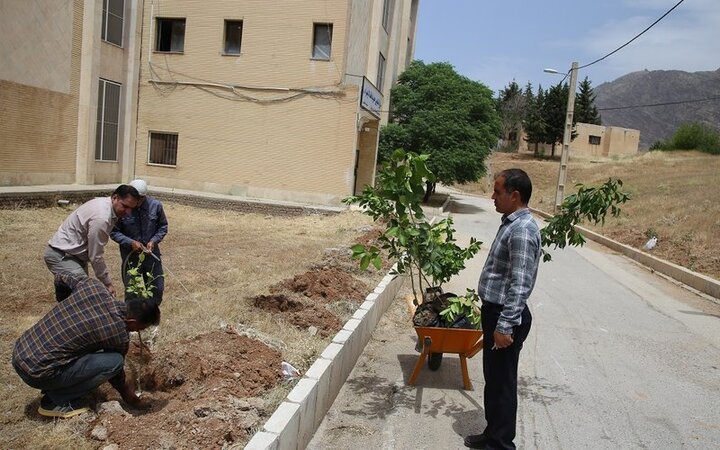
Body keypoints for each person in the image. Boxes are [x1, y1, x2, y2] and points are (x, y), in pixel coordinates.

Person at [12, 271, 160, 418]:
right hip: (36, 373)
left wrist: (65, 302)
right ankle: (54, 401)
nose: (138, 332)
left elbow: (61, 276)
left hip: (20, 352)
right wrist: (131, 399)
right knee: (114, 361)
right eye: (141, 328)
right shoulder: (118, 333)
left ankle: (57, 383)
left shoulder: (94, 287)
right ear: (133, 322)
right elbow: (116, 374)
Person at [465, 168, 541, 450]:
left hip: (504, 316)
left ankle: (501, 444)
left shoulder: (521, 230)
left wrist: (505, 326)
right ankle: (492, 433)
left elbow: (520, 284)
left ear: (515, 195)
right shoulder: (511, 223)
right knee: (494, 380)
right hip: (495, 312)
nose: (493, 197)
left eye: (498, 192)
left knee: (503, 384)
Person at [44, 184, 142, 298]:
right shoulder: (101, 218)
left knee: (77, 298)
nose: (128, 212)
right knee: (85, 295)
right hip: (61, 256)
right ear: (115, 198)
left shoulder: (106, 205)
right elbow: (95, 256)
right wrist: (107, 283)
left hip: (74, 256)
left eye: (131, 208)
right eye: (125, 206)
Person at [110, 179, 168, 304]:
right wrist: (130, 242)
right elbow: (114, 232)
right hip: (131, 257)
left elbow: (163, 227)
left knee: (157, 288)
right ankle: (133, 319)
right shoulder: (123, 209)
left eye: (141, 198)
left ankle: (151, 317)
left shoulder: (156, 206)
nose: (138, 201)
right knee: (132, 293)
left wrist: (154, 241)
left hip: (151, 255)